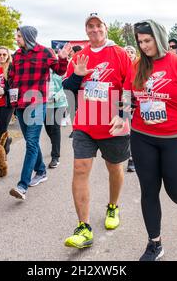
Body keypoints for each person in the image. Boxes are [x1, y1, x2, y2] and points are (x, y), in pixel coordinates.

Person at [124, 20, 177, 261]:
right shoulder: (137, 65)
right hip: (142, 137)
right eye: (140, 42)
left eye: (147, 40)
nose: (144, 46)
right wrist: (123, 115)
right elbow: (127, 96)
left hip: (175, 138)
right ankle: (154, 243)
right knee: (149, 190)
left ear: (158, 38)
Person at [62, 13, 132, 249]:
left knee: (114, 168)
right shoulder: (80, 56)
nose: (94, 29)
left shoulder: (119, 53)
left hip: (113, 123)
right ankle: (84, 227)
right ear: (86, 31)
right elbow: (68, 89)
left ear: (105, 28)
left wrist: (124, 116)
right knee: (80, 168)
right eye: (89, 26)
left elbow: (131, 87)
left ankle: (113, 206)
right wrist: (76, 75)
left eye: (98, 25)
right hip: (85, 124)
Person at [8, 26, 69, 200]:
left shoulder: (45, 52)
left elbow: (60, 71)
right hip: (20, 104)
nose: (16, 38)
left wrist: (63, 58)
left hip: (37, 103)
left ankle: (22, 185)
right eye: (16, 35)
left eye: (19, 36)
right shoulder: (17, 55)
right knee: (30, 141)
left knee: (32, 143)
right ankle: (41, 171)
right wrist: (9, 97)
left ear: (27, 37)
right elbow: (12, 78)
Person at [45, 65, 68, 169]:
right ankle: (55, 143)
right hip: (45, 104)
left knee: (54, 128)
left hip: (58, 103)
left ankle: (55, 157)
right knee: (48, 128)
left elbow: (65, 86)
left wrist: (55, 97)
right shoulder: (41, 70)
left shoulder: (59, 70)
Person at [124, 45, 137, 173]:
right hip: (123, 104)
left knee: (134, 133)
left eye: (131, 52)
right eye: (126, 52)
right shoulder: (120, 67)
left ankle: (132, 159)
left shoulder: (140, 67)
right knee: (125, 134)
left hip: (138, 105)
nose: (129, 54)